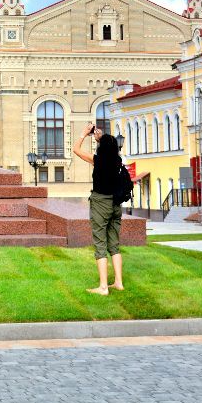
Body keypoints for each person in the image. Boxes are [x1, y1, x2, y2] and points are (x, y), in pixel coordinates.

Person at [72, 123, 123, 296]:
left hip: (101, 203)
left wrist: (84, 133)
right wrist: (100, 139)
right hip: (115, 204)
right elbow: (108, 149)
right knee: (114, 244)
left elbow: (76, 149)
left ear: (102, 147)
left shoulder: (97, 160)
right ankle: (118, 282)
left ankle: (103, 287)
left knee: (100, 244)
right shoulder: (118, 161)